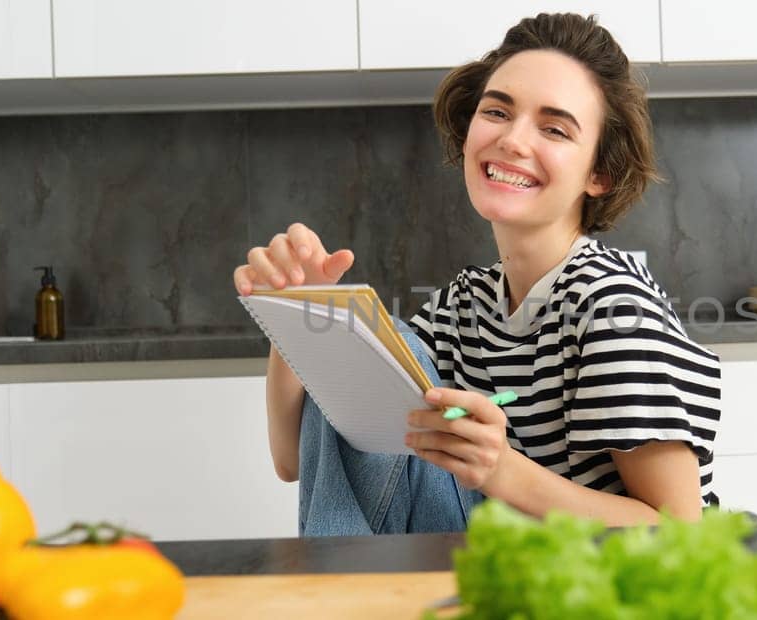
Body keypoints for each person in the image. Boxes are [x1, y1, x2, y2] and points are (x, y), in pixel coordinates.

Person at [233, 13, 720, 529]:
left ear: (599, 173)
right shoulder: (462, 306)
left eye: (553, 128)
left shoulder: (613, 308)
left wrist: (499, 470)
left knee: (386, 345)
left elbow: (679, 529)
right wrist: (301, 311)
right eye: (497, 112)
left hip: (602, 589)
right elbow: (295, 462)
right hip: (496, 566)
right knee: (369, 345)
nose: (512, 140)